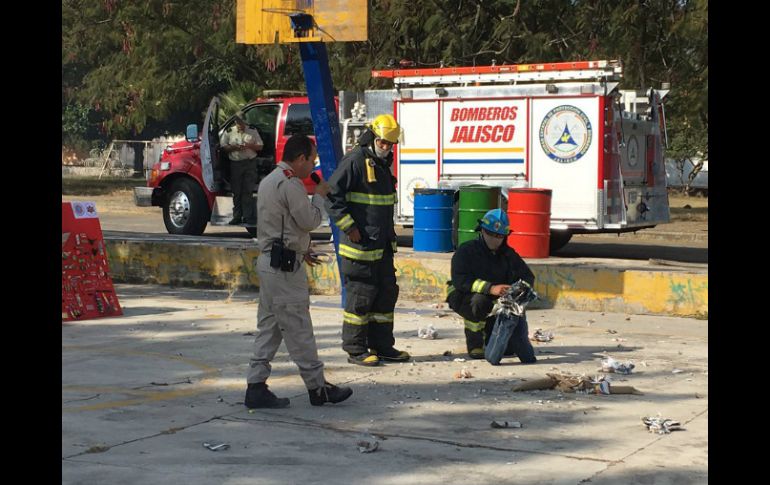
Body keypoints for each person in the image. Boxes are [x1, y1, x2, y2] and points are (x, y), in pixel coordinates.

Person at [245, 134, 353, 408]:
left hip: (273, 262)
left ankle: (256, 386)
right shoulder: (291, 184)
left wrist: (302, 250)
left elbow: (280, 227)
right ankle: (318, 389)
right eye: (312, 160)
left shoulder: (271, 180)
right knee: (299, 328)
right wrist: (318, 198)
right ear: (301, 158)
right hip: (284, 270)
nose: (313, 166)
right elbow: (308, 221)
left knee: (269, 327)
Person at [326, 114, 410, 366]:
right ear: (372, 137)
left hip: (382, 247)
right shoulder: (354, 161)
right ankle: (356, 350)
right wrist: (349, 226)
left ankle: (383, 346)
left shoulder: (381, 165)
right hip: (359, 248)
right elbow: (330, 196)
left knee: (385, 296)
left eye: (390, 144)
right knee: (360, 299)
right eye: (383, 142)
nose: (386, 147)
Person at [445, 208, 537, 363]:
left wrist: (518, 292)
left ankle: (491, 336)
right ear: (482, 230)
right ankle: (475, 344)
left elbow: (527, 276)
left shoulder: (508, 255)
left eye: (499, 236)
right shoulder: (467, 251)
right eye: (490, 234)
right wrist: (491, 288)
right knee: (479, 302)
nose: (494, 239)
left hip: (497, 299)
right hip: (464, 295)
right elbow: (460, 280)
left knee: (507, 348)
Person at [220, 114, 263, 225]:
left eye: (241, 123)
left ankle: (247, 216)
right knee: (237, 191)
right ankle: (237, 216)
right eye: (237, 123)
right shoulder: (229, 131)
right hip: (236, 164)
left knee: (247, 191)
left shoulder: (252, 131)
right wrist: (234, 147)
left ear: (245, 122)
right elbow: (223, 147)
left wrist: (249, 146)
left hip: (250, 163)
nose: (239, 125)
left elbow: (260, 146)